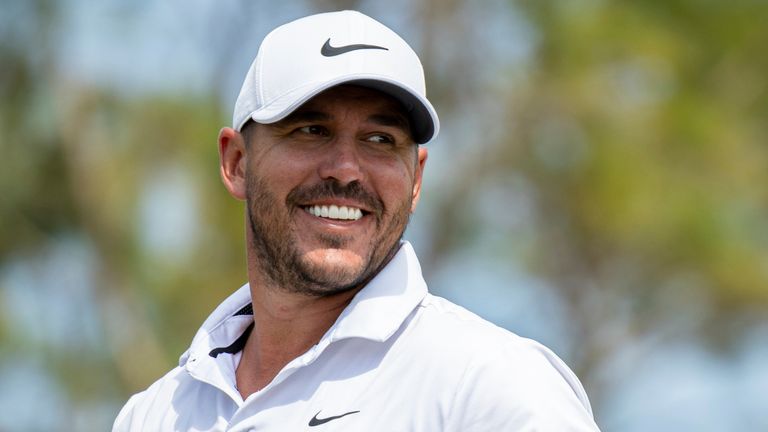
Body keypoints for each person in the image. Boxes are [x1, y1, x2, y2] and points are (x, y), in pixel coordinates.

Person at [113, 10, 600, 431]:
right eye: (311, 130)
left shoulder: (490, 387)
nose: (345, 169)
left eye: (380, 140)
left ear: (415, 179)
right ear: (237, 162)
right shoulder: (155, 414)